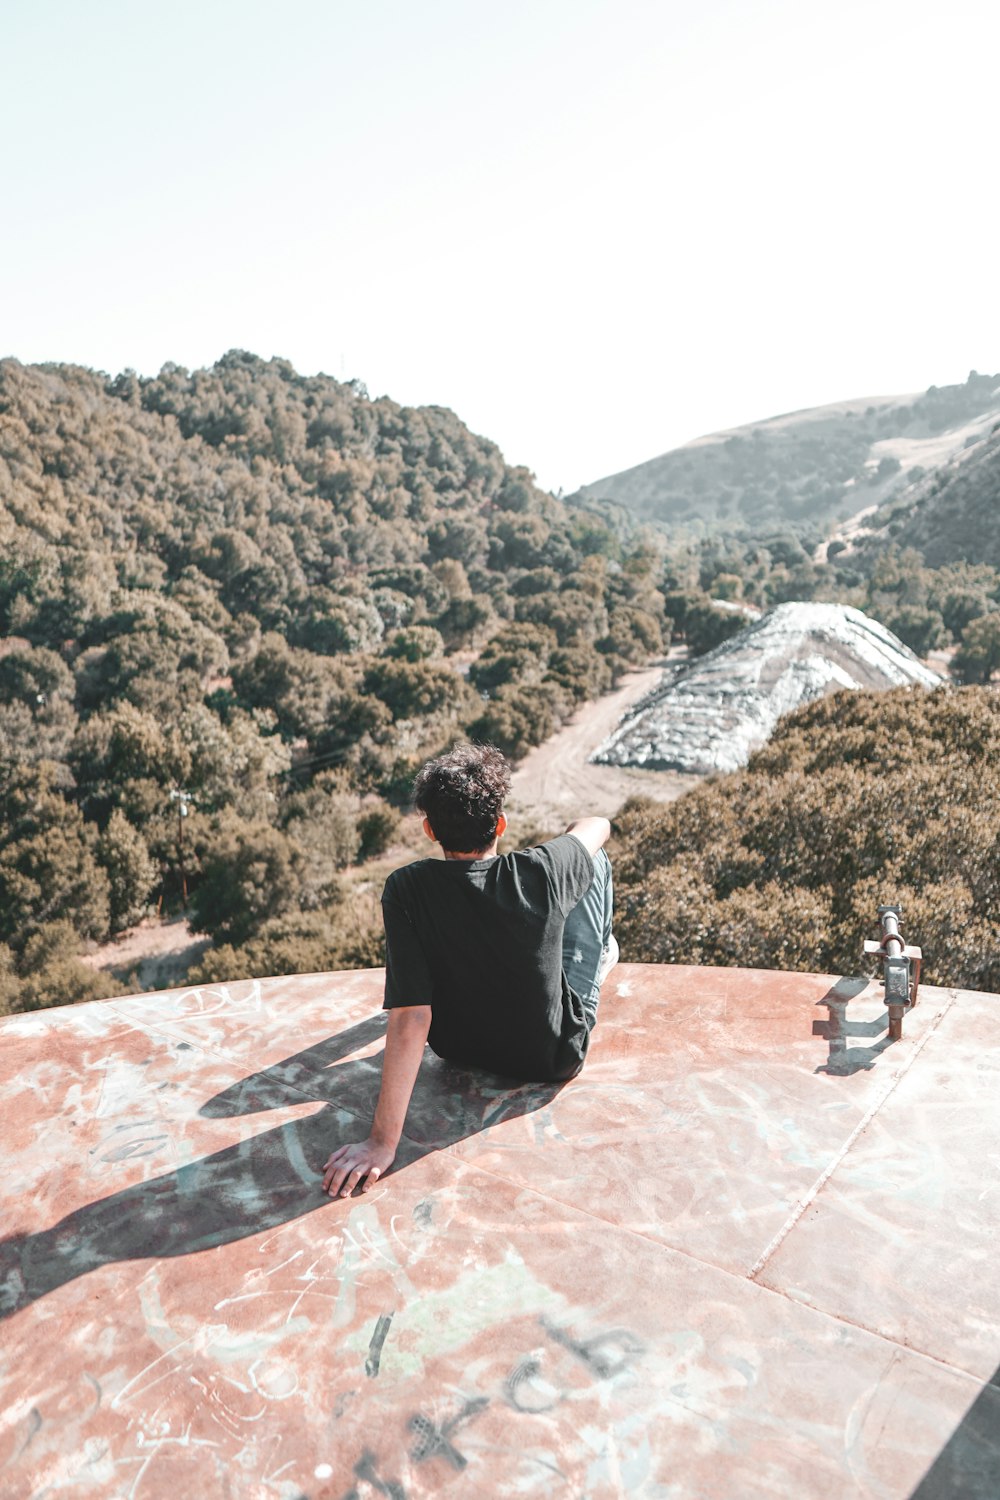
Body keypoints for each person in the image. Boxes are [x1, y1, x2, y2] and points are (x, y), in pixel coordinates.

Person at [322, 742, 618, 1198]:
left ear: (428, 829)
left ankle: (580, 953)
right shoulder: (540, 869)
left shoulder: (406, 888)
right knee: (593, 862)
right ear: (500, 823)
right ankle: (597, 960)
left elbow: (411, 1016)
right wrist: (564, 847)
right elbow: (599, 825)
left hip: (457, 1049)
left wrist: (382, 1143)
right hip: (552, 1058)